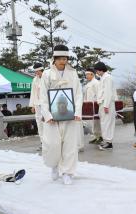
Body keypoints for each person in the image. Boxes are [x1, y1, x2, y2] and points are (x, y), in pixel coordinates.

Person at [39, 44, 83, 185]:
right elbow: (43, 96)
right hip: (53, 114)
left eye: (65, 58)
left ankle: (67, 172)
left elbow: (78, 94)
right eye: (60, 59)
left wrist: (77, 112)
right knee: (52, 143)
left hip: (69, 114)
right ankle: (54, 166)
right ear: (54, 59)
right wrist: (47, 115)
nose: (63, 61)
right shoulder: (46, 74)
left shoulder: (73, 73)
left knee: (70, 144)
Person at [95, 62, 116, 151]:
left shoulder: (107, 78)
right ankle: (106, 140)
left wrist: (106, 105)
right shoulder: (103, 78)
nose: (96, 72)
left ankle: (109, 143)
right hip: (103, 103)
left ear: (100, 70)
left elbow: (108, 92)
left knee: (107, 123)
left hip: (106, 103)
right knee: (104, 123)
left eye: (97, 70)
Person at [84, 67, 102, 144]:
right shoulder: (88, 84)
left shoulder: (96, 83)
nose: (86, 76)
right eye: (86, 75)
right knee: (93, 123)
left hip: (95, 105)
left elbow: (99, 94)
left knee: (97, 122)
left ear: (92, 74)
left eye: (87, 74)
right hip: (89, 105)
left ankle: (100, 136)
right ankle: (95, 136)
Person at [29, 62, 44, 145]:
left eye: (37, 71)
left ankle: (48, 142)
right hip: (37, 103)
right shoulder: (35, 79)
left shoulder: (47, 77)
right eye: (35, 72)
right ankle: (42, 141)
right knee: (39, 122)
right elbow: (33, 92)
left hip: (45, 104)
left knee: (46, 122)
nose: (36, 73)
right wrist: (33, 105)